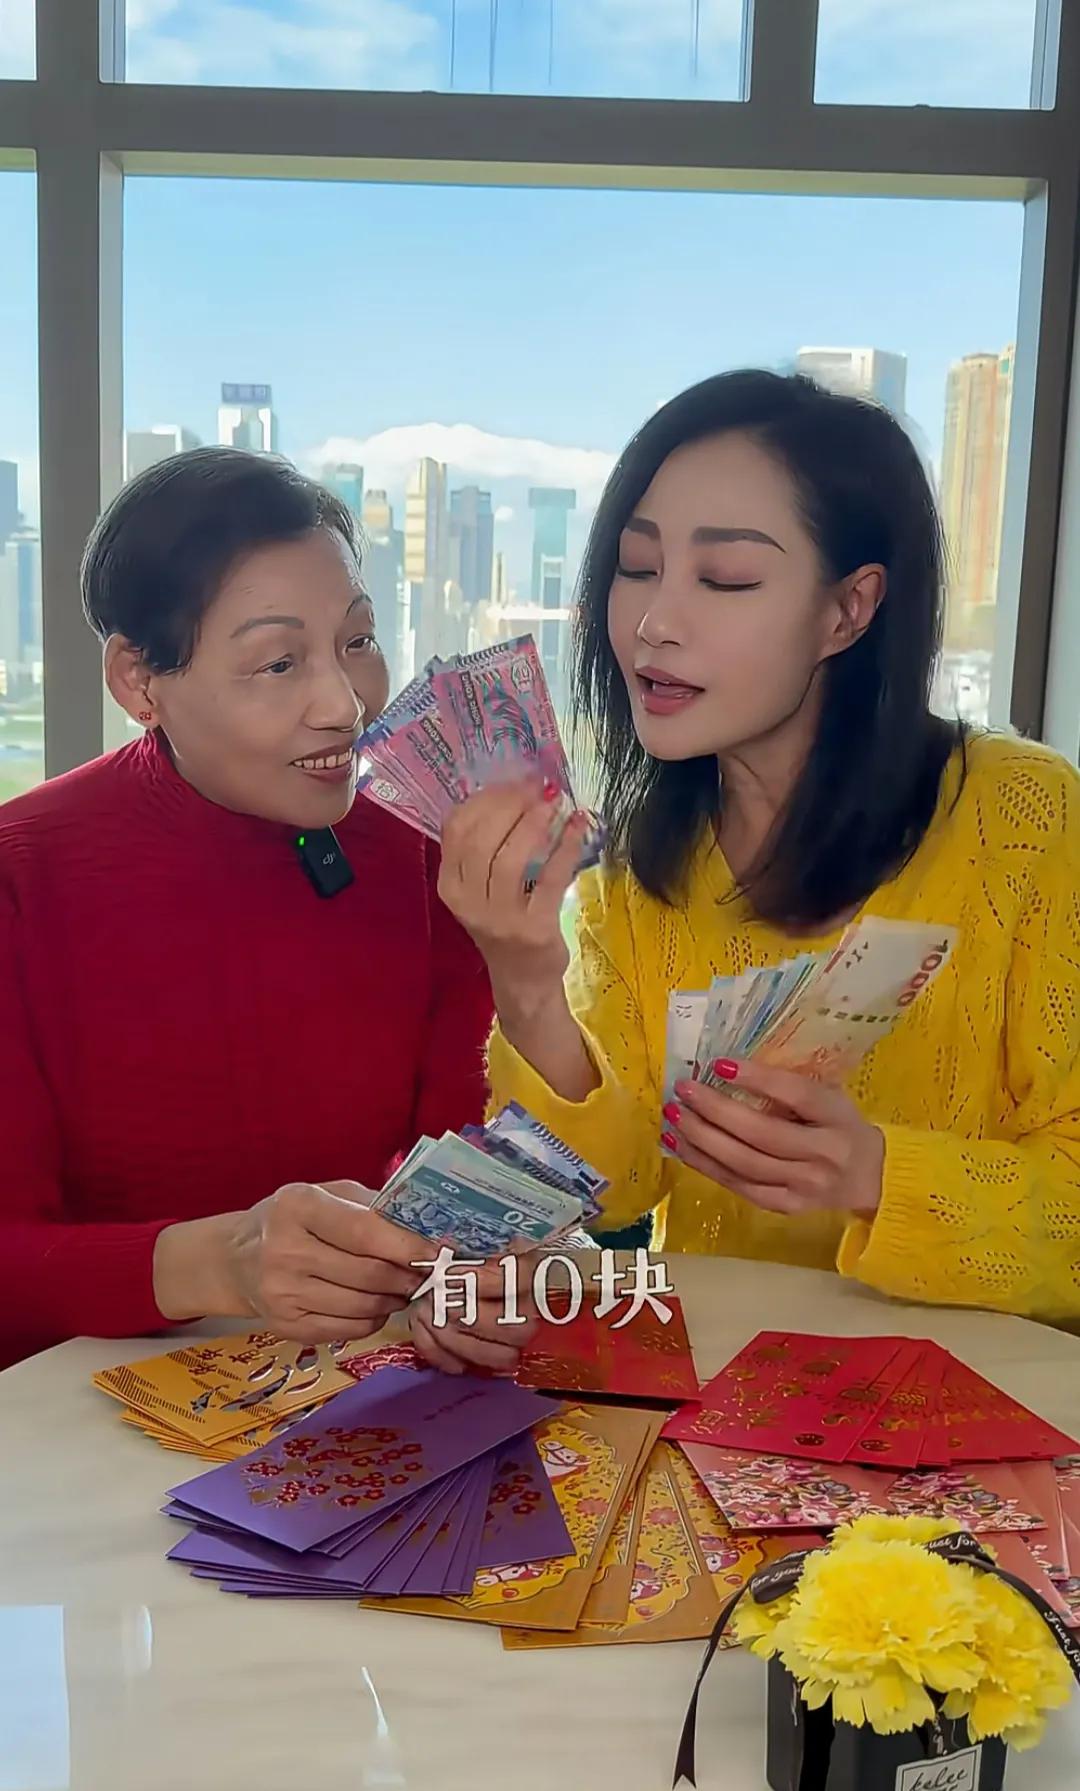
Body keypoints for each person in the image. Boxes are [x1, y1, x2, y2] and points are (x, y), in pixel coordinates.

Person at [439, 370, 1080, 1326]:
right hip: (726, 1387)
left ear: (849, 609)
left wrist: (878, 1174)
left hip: (989, 1395)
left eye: (726, 578)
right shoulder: (637, 869)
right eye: (637, 566)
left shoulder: (1022, 815)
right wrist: (526, 980)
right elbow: (609, 1189)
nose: (653, 623)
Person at [0, 448, 527, 1374]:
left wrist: (474, 1277)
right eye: (279, 662)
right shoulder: (21, 874)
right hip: (80, 1415)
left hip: (372, 1394)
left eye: (357, 640)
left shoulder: (419, 842)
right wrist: (218, 1263)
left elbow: (460, 1163)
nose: (345, 704)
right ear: (138, 681)